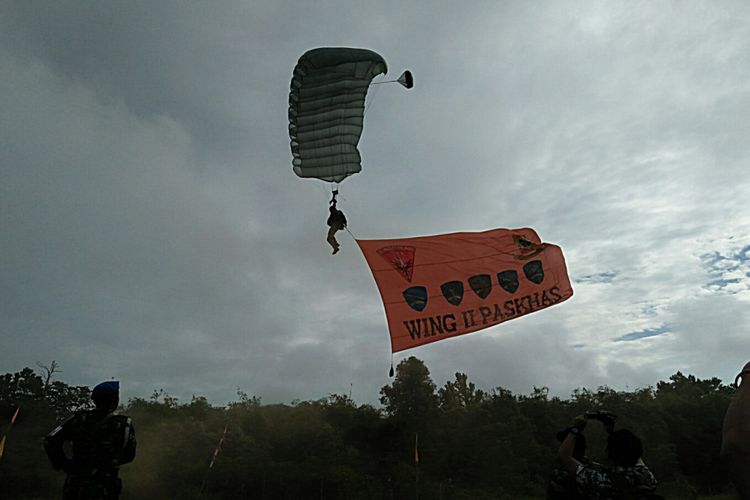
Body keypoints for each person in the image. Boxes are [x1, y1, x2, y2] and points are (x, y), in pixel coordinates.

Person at [45, 381, 136, 500]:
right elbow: (129, 455)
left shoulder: (78, 419)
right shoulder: (124, 425)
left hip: (76, 484)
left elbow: (51, 440)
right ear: (115, 400)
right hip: (105, 485)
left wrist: (65, 465)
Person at [557, 411, 661, 500]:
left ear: (610, 455)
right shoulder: (647, 477)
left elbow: (564, 456)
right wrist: (611, 432)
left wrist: (575, 429)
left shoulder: (601, 481)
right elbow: (629, 450)